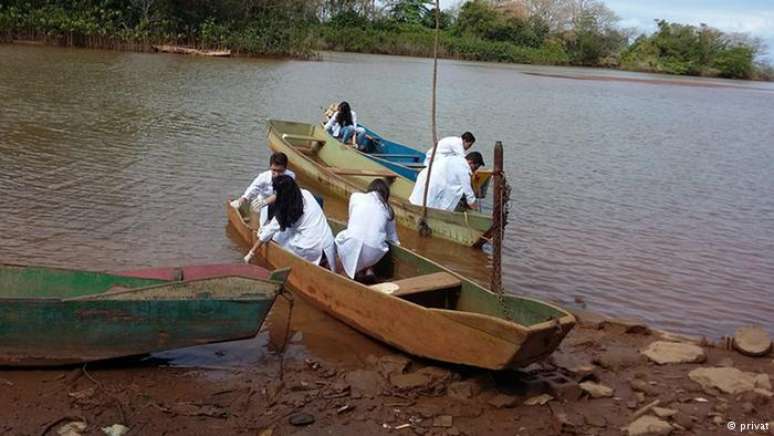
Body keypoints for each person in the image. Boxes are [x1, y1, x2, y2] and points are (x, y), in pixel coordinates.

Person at [257, 175, 336, 269]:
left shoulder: (286, 207)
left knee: (278, 236)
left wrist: (252, 252)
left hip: (311, 249)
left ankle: (313, 261)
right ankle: (324, 259)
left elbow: (268, 232)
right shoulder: (306, 194)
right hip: (329, 243)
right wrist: (266, 202)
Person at [334, 179, 400, 281]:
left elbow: (352, 220)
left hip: (349, 247)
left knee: (342, 236)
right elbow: (394, 239)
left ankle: (356, 270)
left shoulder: (355, 196)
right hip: (372, 256)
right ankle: (369, 270)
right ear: (385, 195)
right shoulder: (388, 210)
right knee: (383, 244)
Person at [409, 145, 480, 211]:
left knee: (419, 201)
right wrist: (475, 209)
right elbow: (469, 196)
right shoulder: (464, 170)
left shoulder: (454, 157)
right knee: (431, 205)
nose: (475, 170)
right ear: (470, 162)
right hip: (433, 187)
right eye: (476, 167)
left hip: (424, 178)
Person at [231, 152, 295, 225]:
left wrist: (266, 202)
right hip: (263, 201)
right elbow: (254, 188)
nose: (276, 174)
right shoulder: (263, 177)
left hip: (280, 202)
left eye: (280, 171)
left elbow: (281, 193)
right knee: (260, 217)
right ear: (270, 167)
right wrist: (243, 199)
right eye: (274, 170)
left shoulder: (290, 176)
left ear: (285, 168)